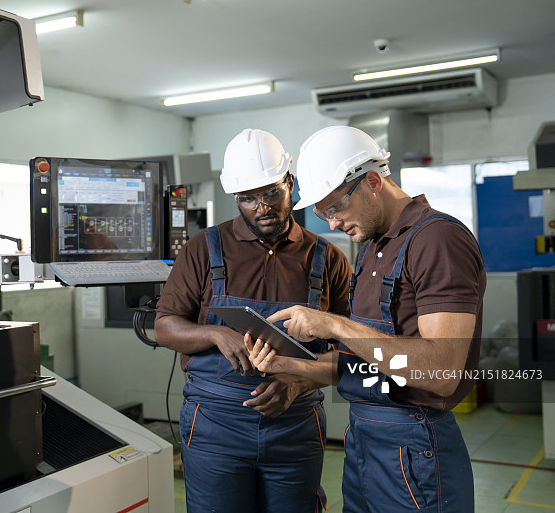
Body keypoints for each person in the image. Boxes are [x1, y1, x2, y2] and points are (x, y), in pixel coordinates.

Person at [246, 125, 486, 513]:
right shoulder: (374, 246)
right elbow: (364, 365)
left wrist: (334, 324)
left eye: (335, 208)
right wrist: (288, 366)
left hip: (413, 448)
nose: (332, 225)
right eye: (322, 214)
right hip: (363, 440)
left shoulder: (436, 240)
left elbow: (442, 371)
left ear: (373, 181)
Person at [154, 128, 352, 513]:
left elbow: (351, 347)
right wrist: (215, 333)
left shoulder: (327, 259)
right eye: (248, 198)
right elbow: (164, 326)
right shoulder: (202, 250)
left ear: (290, 184)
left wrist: (295, 383)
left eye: (271, 193)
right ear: (235, 197)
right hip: (215, 424)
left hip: (296, 423)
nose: (262, 207)